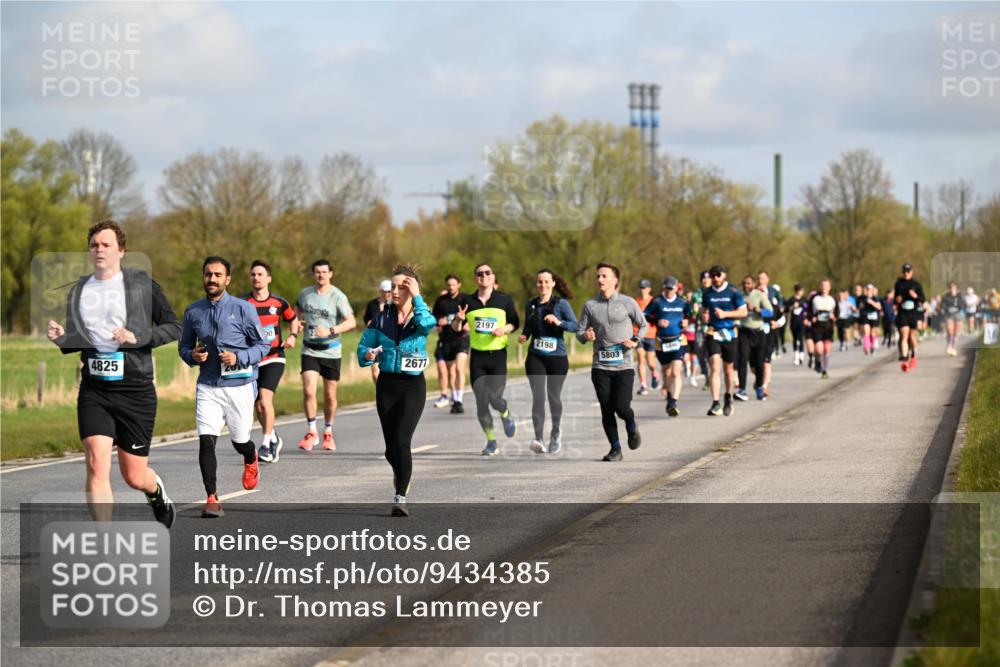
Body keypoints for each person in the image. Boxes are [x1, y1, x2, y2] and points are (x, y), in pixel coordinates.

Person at [47, 219, 180, 527]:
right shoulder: (79, 290)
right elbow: (79, 340)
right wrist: (62, 339)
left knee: (134, 476)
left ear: (121, 251)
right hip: (95, 389)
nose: (100, 249)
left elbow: (174, 326)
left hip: (135, 389)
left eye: (106, 244)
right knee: (96, 463)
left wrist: (138, 337)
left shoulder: (142, 285)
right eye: (94, 245)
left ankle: (155, 491)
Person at [179, 256, 272, 517]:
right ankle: (212, 498)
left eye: (218, 275)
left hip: (239, 385)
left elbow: (263, 345)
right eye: (208, 274)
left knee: (240, 441)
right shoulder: (193, 311)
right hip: (208, 386)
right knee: (206, 441)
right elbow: (184, 347)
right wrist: (192, 356)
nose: (212, 279)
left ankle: (250, 456)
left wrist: (238, 357)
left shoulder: (244, 309)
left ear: (227, 279)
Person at [358, 265, 436, 517]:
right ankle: (401, 470)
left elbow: (427, 325)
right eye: (393, 286)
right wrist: (367, 355)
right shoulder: (381, 318)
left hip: (413, 386)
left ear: (412, 289)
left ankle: (400, 496)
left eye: (402, 286)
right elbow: (363, 348)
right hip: (387, 385)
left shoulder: (422, 314)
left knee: (402, 440)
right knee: (391, 448)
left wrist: (418, 298)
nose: (395, 291)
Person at [577, 263, 647, 460]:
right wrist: (586, 336)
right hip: (600, 367)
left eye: (604, 276)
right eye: (598, 276)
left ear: (615, 280)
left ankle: (631, 425)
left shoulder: (628, 302)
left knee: (622, 407)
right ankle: (615, 449)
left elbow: (643, 325)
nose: (600, 279)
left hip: (624, 366)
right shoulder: (590, 306)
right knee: (606, 409)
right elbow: (579, 333)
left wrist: (635, 340)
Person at [451, 263, 520, 455]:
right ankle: (491, 441)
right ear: (475, 279)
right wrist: (458, 319)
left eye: (487, 273)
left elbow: (515, 323)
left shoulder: (504, 299)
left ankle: (505, 413)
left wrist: (503, 329)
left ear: (493, 276)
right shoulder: (467, 301)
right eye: (479, 274)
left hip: (498, 356)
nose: (484, 276)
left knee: (495, 399)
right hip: (478, 358)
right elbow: (456, 329)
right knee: (481, 403)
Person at [295, 259, 356, 450]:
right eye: (317, 272)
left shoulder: (338, 296)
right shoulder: (305, 294)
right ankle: (312, 431)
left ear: (330, 274)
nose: (321, 275)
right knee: (309, 391)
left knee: (330, 396)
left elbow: (351, 322)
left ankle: (328, 432)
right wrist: (297, 324)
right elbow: (297, 312)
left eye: (324, 272)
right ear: (313, 274)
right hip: (309, 349)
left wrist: (330, 330)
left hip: (331, 350)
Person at [519, 269, 578, 453]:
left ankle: (555, 433)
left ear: (553, 283)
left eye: (546, 282)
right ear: (536, 284)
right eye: (540, 282)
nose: (543, 285)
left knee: (553, 397)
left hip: (557, 358)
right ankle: (538, 438)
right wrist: (524, 335)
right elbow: (528, 326)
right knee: (538, 397)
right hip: (535, 356)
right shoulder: (530, 304)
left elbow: (575, 326)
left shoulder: (562, 304)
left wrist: (558, 322)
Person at [245, 260, 299, 464]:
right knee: (258, 405)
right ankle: (273, 436)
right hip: (253, 360)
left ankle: (267, 444)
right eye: (253, 274)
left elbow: (293, 318)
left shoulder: (279, 303)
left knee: (265, 399)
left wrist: (293, 336)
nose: (256, 278)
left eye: (260, 274)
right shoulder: (243, 303)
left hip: (274, 357)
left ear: (268, 279)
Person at [703, 265, 748, 416]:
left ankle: (728, 397)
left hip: (729, 333)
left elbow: (743, 312)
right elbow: (704, 310)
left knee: (728, 369)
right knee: (714, 366)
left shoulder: (734, 291)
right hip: (713, 332)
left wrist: (725, 314)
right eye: (713, 275)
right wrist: (704, 316)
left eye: (718, 275)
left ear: (724, 275)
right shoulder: (707, 293)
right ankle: (715, 403)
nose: (715, 278)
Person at [644, 276, 691, 416]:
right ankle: (670, 396)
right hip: (662, 342)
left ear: (676, 288)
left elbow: (689, 314)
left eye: (671, 289)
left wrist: (687, 321)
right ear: (663, 288)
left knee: (676, 371)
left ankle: (673, 402)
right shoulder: (657, 301)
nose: (669, 291)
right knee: (666, 372)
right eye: (667, 288)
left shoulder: (682, 301)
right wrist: (657, 321)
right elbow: (645, 314)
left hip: (678, 341)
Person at [432, 274, 470, 414]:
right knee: (449, 372)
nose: (451, 287)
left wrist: (470, 325)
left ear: (459, 285)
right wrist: (438, 323)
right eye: (448, 285)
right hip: (446, 340)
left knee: (459, 368)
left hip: (461, 339)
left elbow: (474, 315)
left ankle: (459, 400)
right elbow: (434, 318)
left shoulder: (465, 299)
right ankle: (454, 397)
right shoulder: (441, 301)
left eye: (453, 284)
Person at [735, 275, 769, 401]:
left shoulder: (759, 295)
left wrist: (756, 310)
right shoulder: (739, 296)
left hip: (758, 332)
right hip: (745, 331)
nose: (746, 286)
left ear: (754, 284)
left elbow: (770, 312)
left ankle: (759, 387)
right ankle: (742, 389)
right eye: (744, 283)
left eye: (748, 283)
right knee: (742, 360)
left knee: (759, 363)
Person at [893, 263, 926, 372]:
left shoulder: (916, 284)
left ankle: (914, 354)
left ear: (911, 272)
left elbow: (923, 299)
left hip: (913, 313)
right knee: (904, 334)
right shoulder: (899, 283)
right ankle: (904, 360)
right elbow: (895, 299)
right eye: (904, 271)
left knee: (912, 335)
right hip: (903, 312)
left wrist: (915, 296)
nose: (906, 273)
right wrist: (897, 300)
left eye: (908, 271)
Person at [363, 279, 393, 384]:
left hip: (390, 341)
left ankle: (389, 390)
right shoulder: (372, 304)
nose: (388, 293)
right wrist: (368, 322)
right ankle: (380, 389)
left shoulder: (395, 305)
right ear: (381, 291)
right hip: (375, 341)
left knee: (389, 370)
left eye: (390, 291)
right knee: (375, 372)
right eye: (386, 291)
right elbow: (366, 318)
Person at [806, 279, 838, 379]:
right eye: (822, 285)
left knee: (827, 349)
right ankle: (817, 360)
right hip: (817, 327)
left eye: (826, 286)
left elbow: (837, 312)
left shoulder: (833, 299)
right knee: (819, 349)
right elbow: (808, 311)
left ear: (829, 287)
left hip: (828, 327)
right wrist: (812, 318)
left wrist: (834, 316)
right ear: (820, 287)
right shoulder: (814, 298)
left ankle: (824, 370)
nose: (824, 287)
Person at [757, 271, 782, 396]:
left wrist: (777, 323)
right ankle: (760, 381)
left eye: (762, 278)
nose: (760, 280)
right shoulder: (753, 305)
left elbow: (782, 317)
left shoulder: (773, 304)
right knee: (756, 365)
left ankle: (764, 386)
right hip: (756, 336)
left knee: (766, 362)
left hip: (770, 336)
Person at [633, 279, 660, 395]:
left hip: (650, 334)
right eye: (641, 288)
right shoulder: (635, 301)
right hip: (638, 333)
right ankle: (643, 385)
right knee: (640, 357)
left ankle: (654, 373)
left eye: (644, 288)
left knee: (650, 362)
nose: (642, 290)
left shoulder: (654, 301)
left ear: (649, 289)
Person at [690, 270, 712, 389]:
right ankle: (707, 376)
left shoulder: (714, 293)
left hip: (711, 328)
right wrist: (694, 311)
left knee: (711, 354)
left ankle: (711, 378)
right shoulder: (696, 294)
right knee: (700, 354)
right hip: (699, 327)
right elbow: (692, 313)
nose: (706, 280)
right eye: (704, 278)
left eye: (708, 278)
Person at [857, 283, 883, 355]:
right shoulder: (862, 298)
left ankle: (872, 346)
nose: (868, 291)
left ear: (872, 290)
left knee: (872, 333)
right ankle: (866, 347)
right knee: (866, 331)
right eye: (867, 289)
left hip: (874, 317)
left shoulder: (875, 298)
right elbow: (859, 306)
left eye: (869, 289)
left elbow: (879, 307)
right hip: (865, 316)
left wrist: (871, 302)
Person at [787, 284, 808, 366]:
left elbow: (807, 307)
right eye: (801, 290)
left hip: (802, 322)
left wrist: (800, 305)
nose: (802, 292)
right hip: (793, 322)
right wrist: (792, 307)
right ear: (797, 291)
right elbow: (786, 308)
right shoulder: (791, 299)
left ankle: (801, 355)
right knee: (795, 339)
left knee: (801, 338)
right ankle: (796, 356)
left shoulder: (804, 299)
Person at [941, 282, 963, 357]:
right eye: (951, 287)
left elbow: (962, 304)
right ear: (949, 288)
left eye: (954, 287)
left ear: (956, 288)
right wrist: (947, 309)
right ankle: (949, 345)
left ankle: (953, 347)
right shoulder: (945, 296)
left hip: (957, 314)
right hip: (949, 314)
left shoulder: (959, 295)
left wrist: (958, 307)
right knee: (950, 330)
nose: (952, 289)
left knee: (956, 332)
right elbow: (942, 305)